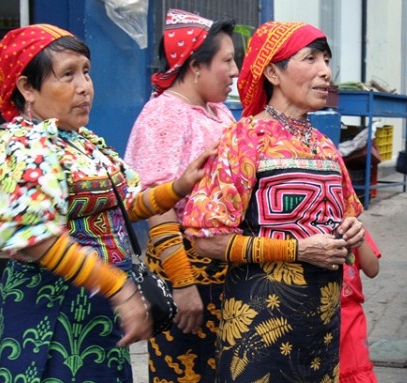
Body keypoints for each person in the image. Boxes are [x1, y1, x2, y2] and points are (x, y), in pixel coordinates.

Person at [0, 24, 215, 382]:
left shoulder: (83, 142)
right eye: (68, 75)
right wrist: (118, 288)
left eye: (86, 72)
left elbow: (126, 207)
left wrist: (177, 187)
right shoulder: (22, 147)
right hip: (51, 310)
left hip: (102, 309)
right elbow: (37, 237)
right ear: (27, 87)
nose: (84, 87)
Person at [181, 21, 365, 382]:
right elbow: (206, 239)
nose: (325, 71)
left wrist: (353, 230)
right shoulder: (244, 138)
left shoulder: (326, 146)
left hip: (322, 331)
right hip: (259, 327)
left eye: (326, 60)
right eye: (309, 59)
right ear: (272, 73)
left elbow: (351, 220)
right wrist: (297, 250)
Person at [124, 9, 238, 382]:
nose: (235, 71)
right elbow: (158, 206)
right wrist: (183, 284)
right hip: (188, 276)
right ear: (195, 66)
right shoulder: (164, 115)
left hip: (224, 270)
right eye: (227, 60)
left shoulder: (218, 112)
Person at [340, 229, 380, 383]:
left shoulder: (350, 227)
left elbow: (372, 269)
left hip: (350, 319)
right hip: (313, 320)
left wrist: (359, 236)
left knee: (354, 369)